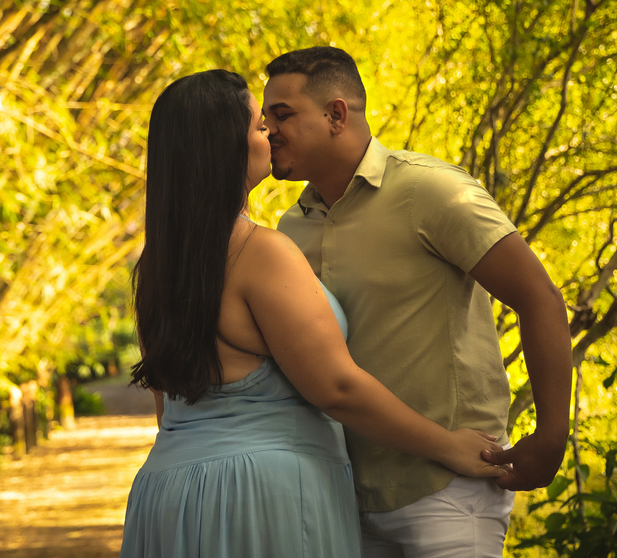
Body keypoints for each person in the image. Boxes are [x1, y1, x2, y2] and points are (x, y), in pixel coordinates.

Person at [120, 69, 506, 558]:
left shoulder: (156, 267)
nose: (270, 135)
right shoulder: (259, 251)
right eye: (259, 125)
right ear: (224, 146)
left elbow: (168, 408)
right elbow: (336, 387)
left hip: (168, 493)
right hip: (259, 496)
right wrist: (449, 445)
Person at [264, 46, 571, 557]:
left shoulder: (430, 190)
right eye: (265, 118)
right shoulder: (290, 229)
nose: (268, 131)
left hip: (449, 491)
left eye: (282, 114)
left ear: (336, 114)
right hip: (341, 498)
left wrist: (552, 434)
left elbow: (539, 297)